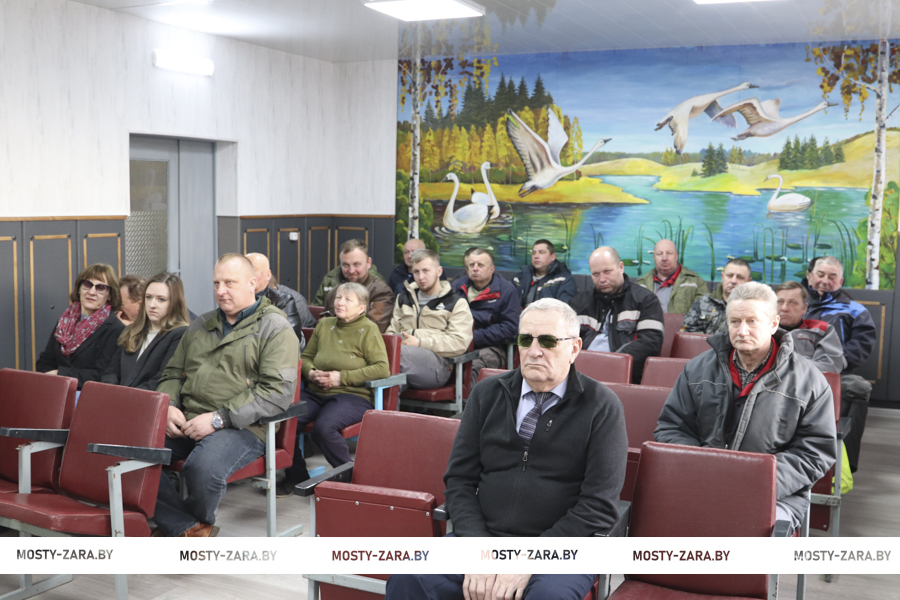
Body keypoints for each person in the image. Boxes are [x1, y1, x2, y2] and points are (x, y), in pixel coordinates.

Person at [386, 299, 626, 600]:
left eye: (548, 341)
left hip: (561, 548)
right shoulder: (487, 393)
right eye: (526, 340)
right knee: (409, 577)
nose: (534, 351)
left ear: (574, 348)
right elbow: (459, 481)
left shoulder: (601, 406)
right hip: (483, 536)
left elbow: (599, 505)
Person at [655, 282, 837, 530]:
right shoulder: (696, 369)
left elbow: (814, 452)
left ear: (773, 324)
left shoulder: (809, 381)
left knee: (745, 531)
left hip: (775, 494)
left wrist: (755, 482)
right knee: (664, 525)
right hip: (701, 484)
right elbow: (672, 428)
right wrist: (702, 470)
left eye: (752, 321)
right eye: (735, 321)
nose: (742, 331)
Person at [153, 253, 300, 537]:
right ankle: (188, 528)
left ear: (252, 283)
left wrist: (219, 418)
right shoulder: (201, 325)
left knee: (203, 468)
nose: (221, 291)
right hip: (188, 419)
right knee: (128, 449)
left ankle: (185, 529)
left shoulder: (275, 328)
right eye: (216, 283)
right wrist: (169, 405)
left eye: (230, 283)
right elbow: (171, 374)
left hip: (244, 426)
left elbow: (276, 392)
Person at [276, 282, 389, 496]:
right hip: (316, 391)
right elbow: (306, 357)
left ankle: (351, 480)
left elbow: (382, 368)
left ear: (361, 308)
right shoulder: (325, 324)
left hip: (352, 395)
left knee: (324, 429)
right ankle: (297, 476)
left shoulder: (369, 329)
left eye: (348, 299)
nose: (340, 302)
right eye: (338, 297)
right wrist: (311, 373)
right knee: (282, 421)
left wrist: (341, 378)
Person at [803, 256, 876, 473]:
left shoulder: (855, 310)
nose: (825, 280)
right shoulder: (794, 302)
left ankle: (843, 467)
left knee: (858, 389)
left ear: (840, 281)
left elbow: (861, 346)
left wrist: (831, 365)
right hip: (794, 370)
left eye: (832, 276)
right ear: (810, 276)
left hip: (837, 372)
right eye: (820, 274)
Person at [569, 246, 664, 384]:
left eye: (607, 271)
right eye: (596, 274)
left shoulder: (646, 300)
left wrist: (612, 364)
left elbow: (650, 343)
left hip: (624, 376)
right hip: (579, 374)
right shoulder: (578, 303)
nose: (602, 279)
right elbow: (564, 340)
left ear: (621, 267)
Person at [387, 249, 473, 389]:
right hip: (404, 360)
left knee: (395, 354)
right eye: (416, 272)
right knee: (388, 375)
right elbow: (391, 332)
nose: (421, 277)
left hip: (438, 366)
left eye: (426, 271)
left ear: (439, 271)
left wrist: (420, 343)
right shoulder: (403, 298)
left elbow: (459, 343)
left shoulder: (456, 302)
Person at [36, 263, 125, 389]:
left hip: (87, 395)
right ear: (79, 288)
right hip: (55, 390)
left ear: (110, 295)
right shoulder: (65, 321)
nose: (92, 292)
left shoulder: (115, 329)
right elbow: (45, 361)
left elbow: (103, 375)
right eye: (87, 284)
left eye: (100, 288)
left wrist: (60, 374)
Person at [102, 272, 190, 390]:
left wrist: (124, 396)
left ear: (174, 303)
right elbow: (111, 372)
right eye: (148, 297)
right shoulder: (131, 330)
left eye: (161, 299)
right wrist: (110, 391)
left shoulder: (180, 334)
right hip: (117, 397)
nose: (152, 305)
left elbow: (161, 379)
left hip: (147, 399)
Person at [451, 248, 519, 387]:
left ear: (491, 269)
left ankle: (470, 401)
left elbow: (510, 327)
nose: (475, 269)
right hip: (456, 341)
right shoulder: (456, 287)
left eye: (480, 265)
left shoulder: (506, 290)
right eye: (471, 265)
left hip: (492, 346)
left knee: (473, 367)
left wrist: (473, 337)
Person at [313, 239, 394, 333]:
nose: (351, 271)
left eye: (357, 264)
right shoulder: (335, 292)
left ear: (368, 263)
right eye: (346, 265)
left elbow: (373, 329)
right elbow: (321, 327)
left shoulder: (381, 292)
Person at [246, 252, 314, 350]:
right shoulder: (231, 300)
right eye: (242, 271)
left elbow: (286, 339)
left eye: (253, 270)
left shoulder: (283, 301)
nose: (246, 275)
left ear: (268, 275)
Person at [774, 280, 846, 374]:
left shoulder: (822, 330)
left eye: (793, 303)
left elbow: (831, 365)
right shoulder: (763, 331)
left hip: (810, 381)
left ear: (804, 308)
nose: (784, 308)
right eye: (780, 302)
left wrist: (789, 366)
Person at [635, 238, 707, 314]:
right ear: (654, 257)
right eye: (659, 254)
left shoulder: (696, 282)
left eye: (669, 253)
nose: (664, 258)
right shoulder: (640, 284)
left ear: (676, 256)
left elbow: (704, 313)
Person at [682, 258, 752, 334]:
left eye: (740, 277)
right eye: (729, 276)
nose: (733, 281)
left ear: (748, 281)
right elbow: (685, 333)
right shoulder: (703, 303)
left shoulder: (754, 308)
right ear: (722, 277)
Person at [512, 239, 577, 306]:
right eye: (533, 253)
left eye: (541, 252)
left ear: (552, 257)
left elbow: (564, 308)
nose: (536, 256)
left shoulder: (564, 280)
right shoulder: (519, 279)